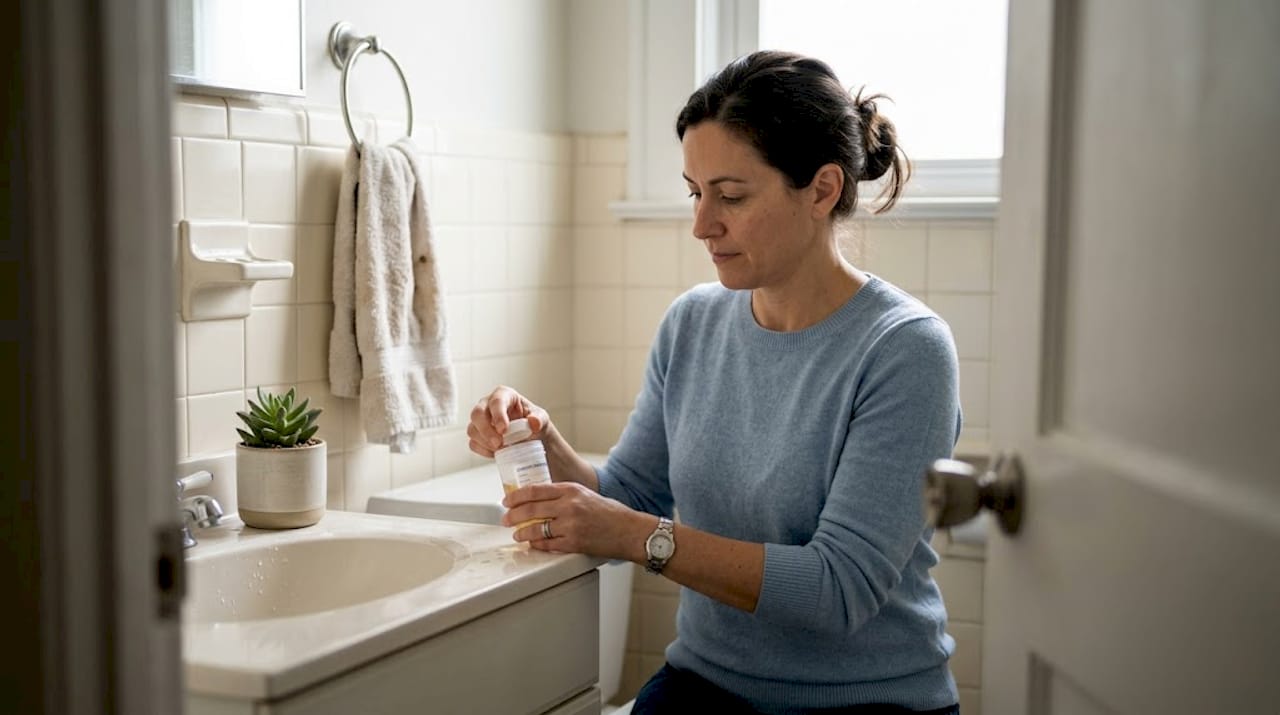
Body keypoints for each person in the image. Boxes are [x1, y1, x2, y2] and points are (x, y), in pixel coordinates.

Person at [467, 50, 963, 715]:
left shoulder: (906, 349)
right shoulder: (693, 322)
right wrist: (540, 439)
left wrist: (638, 534)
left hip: (866, 701)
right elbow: (626, 497)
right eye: (695, 193)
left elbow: (838, 587)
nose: (702, 224)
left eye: (731, 196)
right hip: (706, 687)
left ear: (821, 189)